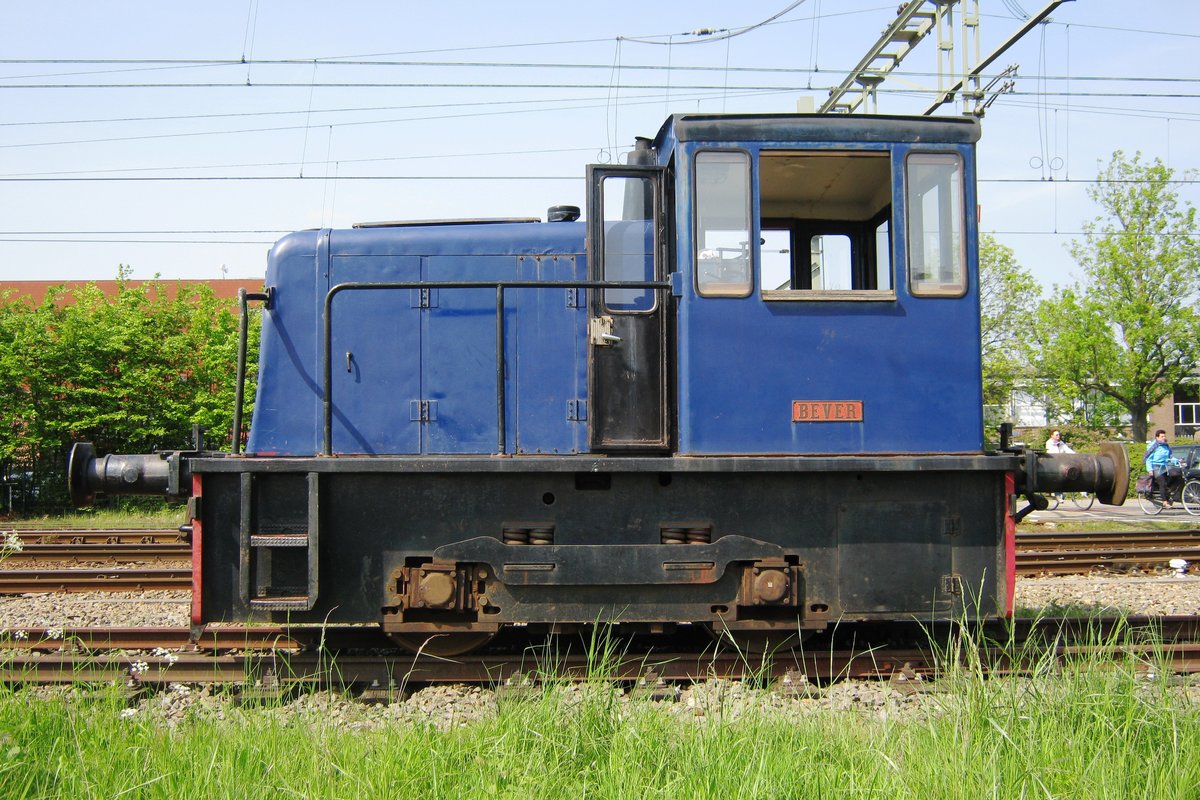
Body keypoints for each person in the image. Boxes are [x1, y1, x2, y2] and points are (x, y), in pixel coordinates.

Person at [1145, 429, 1174, 508]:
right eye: (1162, 436)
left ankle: (1169, 495)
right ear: (1157, 437)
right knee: (1162, 483)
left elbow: (1170, 457)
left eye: (1164, 436)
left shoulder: (1165, 445)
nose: (1164, 438)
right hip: (1156, 467)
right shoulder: (1153, 446)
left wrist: (1176, 461)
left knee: (1175, 478)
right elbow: (1148, 459)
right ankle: (1165, 502)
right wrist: (1150, 470)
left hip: (1165, 467)